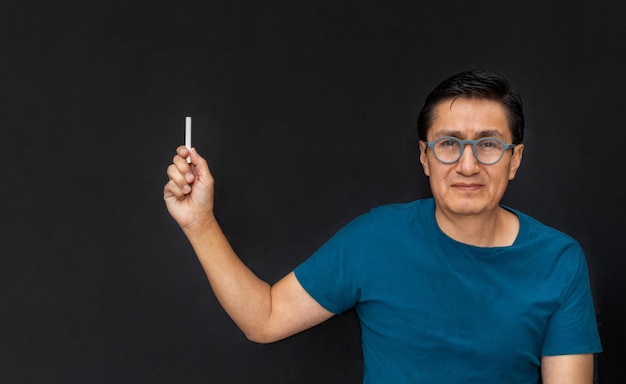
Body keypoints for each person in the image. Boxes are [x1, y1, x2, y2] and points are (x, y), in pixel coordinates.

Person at [163, 69, 602, 383]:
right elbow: (266, 317)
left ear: (515, 159)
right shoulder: (375, 239)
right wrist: (199, 222)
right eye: (449, 144)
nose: (467, 164)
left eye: (488, 144)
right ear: (424, 157)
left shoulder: (558, 261)